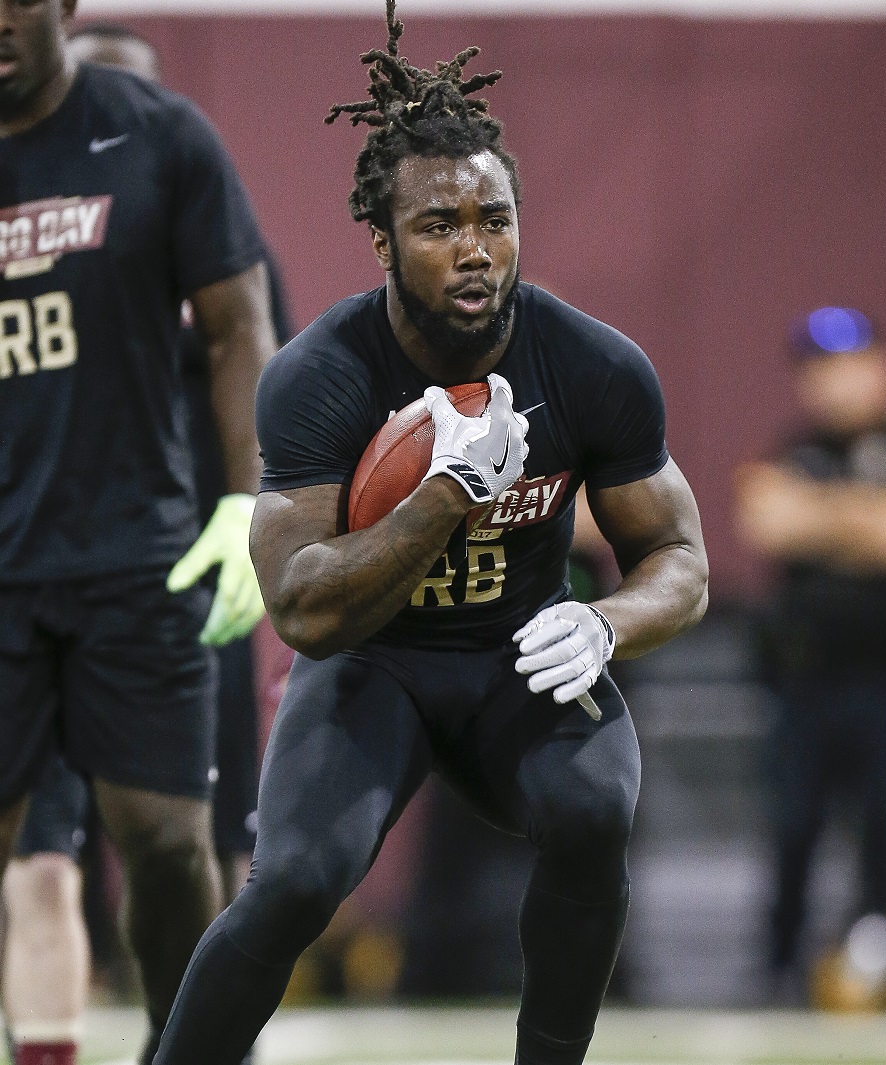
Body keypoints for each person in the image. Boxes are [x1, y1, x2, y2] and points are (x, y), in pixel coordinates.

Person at [154, 3, 708, 1063]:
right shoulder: (321, 376)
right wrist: (445, 494)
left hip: (519, 653)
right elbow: (303, 610)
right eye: (440, 226)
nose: (475, 251)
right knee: (297, 881)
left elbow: (679, 560)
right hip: (377, 662)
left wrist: (607, 624)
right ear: (382, 241)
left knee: (594, 812)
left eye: (494, 220)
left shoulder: (592, 365)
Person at [0, 3, 278, 1064]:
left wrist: (250, 500)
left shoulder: (161, 137)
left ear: (65, 5)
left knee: (166, 841)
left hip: (134, 555)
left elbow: (241, 328)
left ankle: (190, 1046)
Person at [733, 306, 886, 1003]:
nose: (832, 384)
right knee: (792, 825)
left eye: (847, 366)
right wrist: (869, 517)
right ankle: (779, 966)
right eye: (817, 371)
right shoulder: (788, 451)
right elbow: (766, 521)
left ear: (883, 369)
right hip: (807, 678)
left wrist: (820, 517)